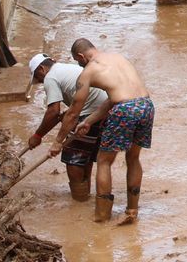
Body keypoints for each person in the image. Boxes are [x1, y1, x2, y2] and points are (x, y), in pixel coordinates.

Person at [51, 39, 155, 225]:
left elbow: (74, 111)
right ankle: (132, 211)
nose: (79, 64)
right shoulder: (118, 57)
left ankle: (102, 216)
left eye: (77, 60)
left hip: (124, 110)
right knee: (133, 158)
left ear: (81, 57)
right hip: (145, 105)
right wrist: (89, 121)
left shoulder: (88, 71)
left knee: (103, 161)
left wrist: (58, 141)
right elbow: (114, 98)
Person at [27, 53, 111, 201]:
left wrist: (38, 136)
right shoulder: (66, 68)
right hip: (106, 109)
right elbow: (59, 113)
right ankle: (85, 195)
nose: (41, 82)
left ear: (41, 69)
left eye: (39, 78)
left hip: (90, 114)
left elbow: (53, 111)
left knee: (74, 158)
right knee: (86, 156)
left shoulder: (50, 77)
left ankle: (80, 201)